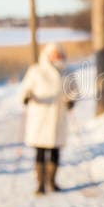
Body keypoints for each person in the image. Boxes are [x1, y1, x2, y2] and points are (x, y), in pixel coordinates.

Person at [19, 42, 73, 195]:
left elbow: (73, 90)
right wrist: (26, 96)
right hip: (40, 116)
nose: (57, 56)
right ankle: (40, 184)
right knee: (40, 150)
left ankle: (52, 181)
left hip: (57, 116)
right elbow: (25, 88)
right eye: (54, 53)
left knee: (55, 150)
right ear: (48, 54)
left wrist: (71, 101)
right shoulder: (36, 70)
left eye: (59, 53)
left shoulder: (67, 72)